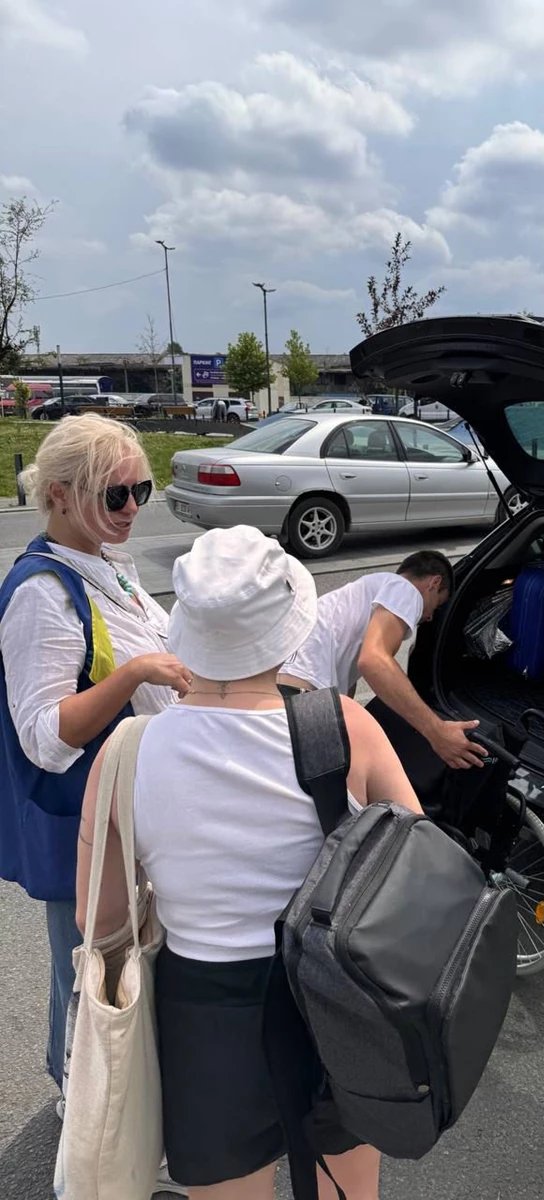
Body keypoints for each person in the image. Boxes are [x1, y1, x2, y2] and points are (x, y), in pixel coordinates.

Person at [76, 526, 424, 1200]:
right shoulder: (343, 724)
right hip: (336, 997)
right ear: (284, 631)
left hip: (202, 1008)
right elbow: (415, 865)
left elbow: (103, 918)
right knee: (347, 1187)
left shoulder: (127, 752)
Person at [0, 414, 190, 1122]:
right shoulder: (42, 594)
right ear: (57, 495)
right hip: (83, 819)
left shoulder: (105, 566)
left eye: (140, 488)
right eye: (115, 495)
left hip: (125, 812)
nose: (135, 506)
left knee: (110, 968)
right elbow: (45, 737)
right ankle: (85, 1118)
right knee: (89, 975)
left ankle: (103, 1105)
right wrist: (138, 670)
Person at [279, 551, 488, 769]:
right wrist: (436, 732)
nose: (430, 617)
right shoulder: (405, 589)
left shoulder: (367, 593)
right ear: (434, 583)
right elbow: (373, 660)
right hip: (302, 696)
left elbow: (350, 678)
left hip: (288, 690)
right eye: (436, 605)